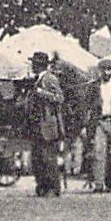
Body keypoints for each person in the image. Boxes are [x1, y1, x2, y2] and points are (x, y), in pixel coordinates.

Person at [84, 58, 111, 191]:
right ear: (99, 71)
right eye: (104, 70)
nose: (107, 73)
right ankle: (99, 184)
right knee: (99, 152)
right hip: (99, 122)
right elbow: (86, 106)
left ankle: (110, 180)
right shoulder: (93, 86)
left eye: (109, 70)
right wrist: (86, 124)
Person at [26, 52, 65, 197]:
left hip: (47, 125)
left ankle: (53, 188)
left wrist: (41, 92)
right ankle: (42, 186)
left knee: (48, 158)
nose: (32, 66)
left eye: (34, 64)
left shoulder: (49, 79)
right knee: (38, 158)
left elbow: (59, 97)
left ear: (39, 65)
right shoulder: (37, 79)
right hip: (37, 124)